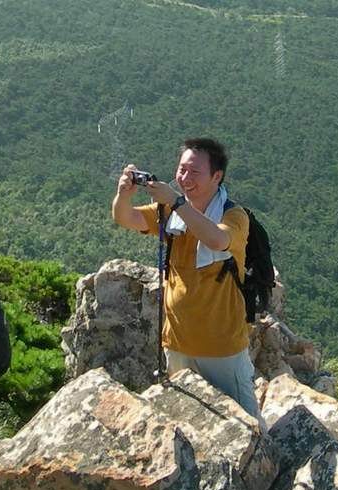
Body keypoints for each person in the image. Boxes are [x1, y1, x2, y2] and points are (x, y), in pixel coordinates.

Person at [111, 137, 261, 421]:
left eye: (195, 172)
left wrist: (177, 202)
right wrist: (124, 195)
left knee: (246, 422)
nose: (185, 177)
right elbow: (126, 218)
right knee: (186, 421)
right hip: (178, 343)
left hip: (222, 348)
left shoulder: (234, 216)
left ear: (217, 176)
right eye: (182, 169)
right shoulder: (170, 213)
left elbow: (217, 240)